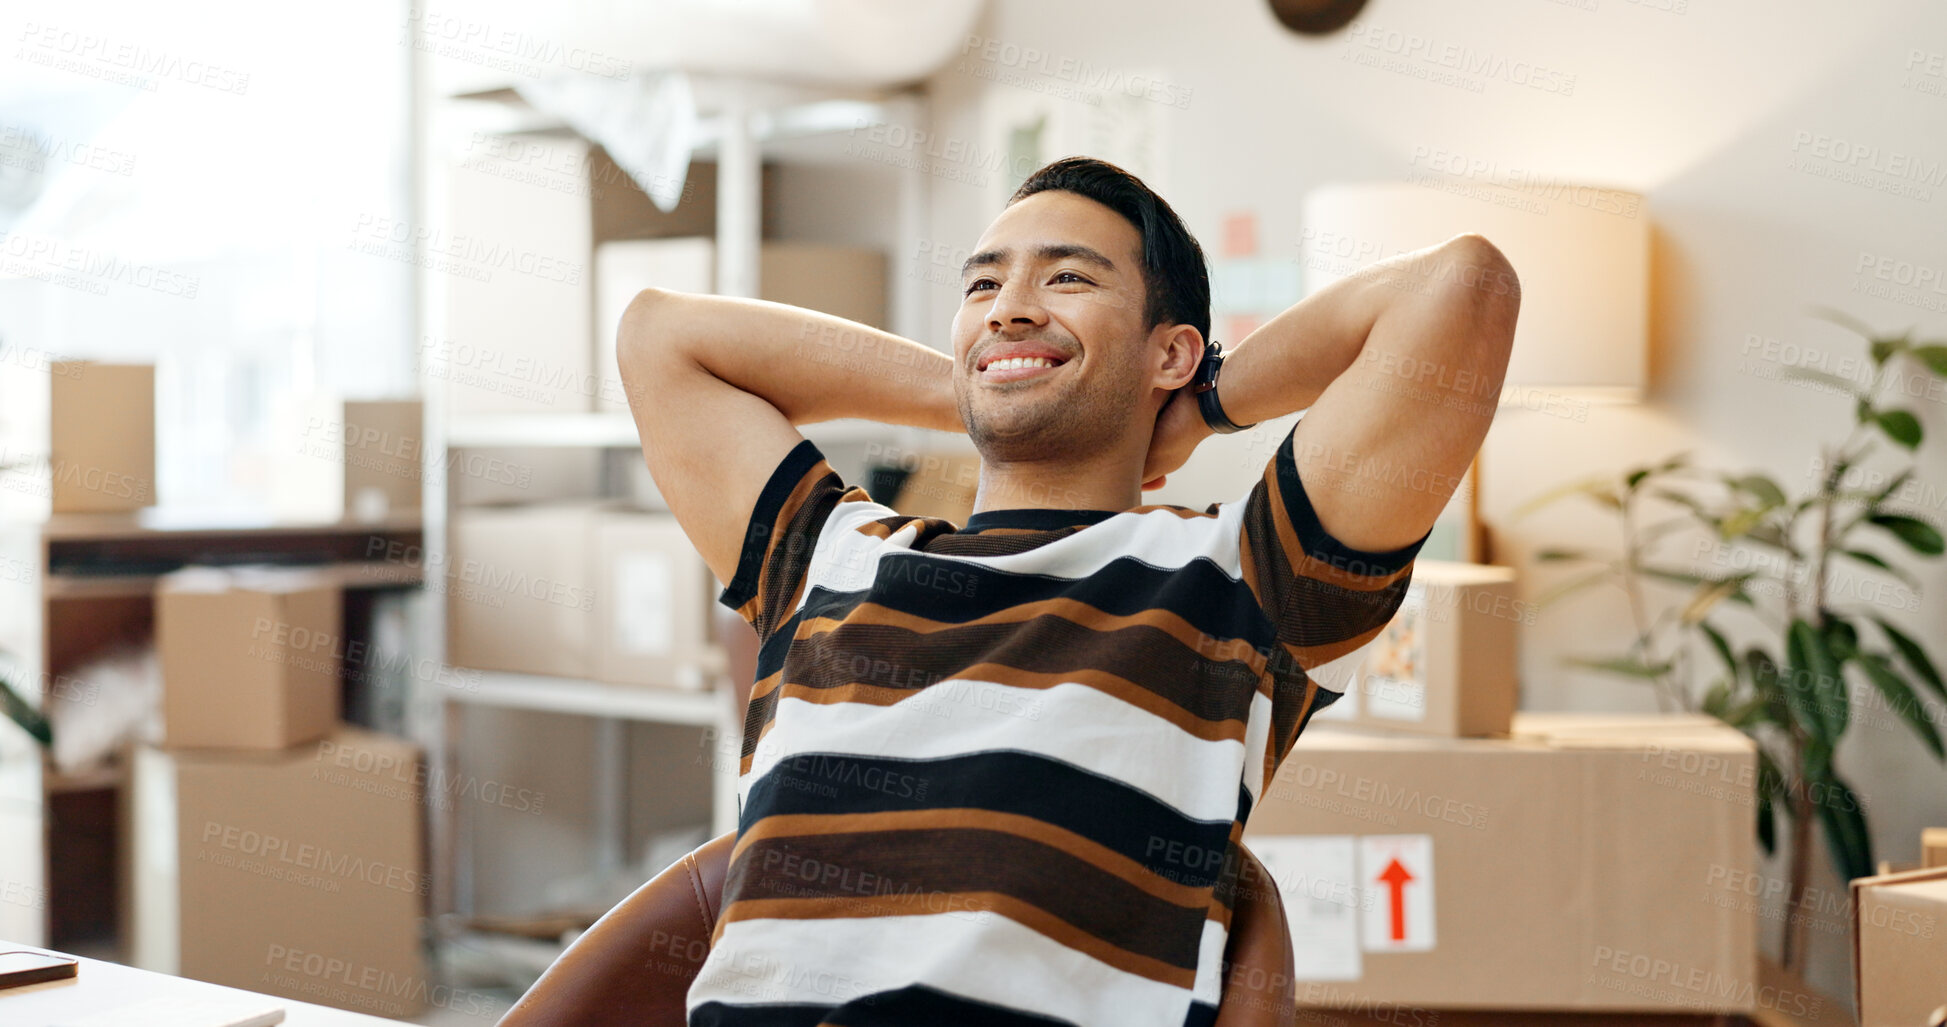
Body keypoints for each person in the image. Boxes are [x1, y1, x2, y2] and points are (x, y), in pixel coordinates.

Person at [617, 155, 1519, 1026]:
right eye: (981, 288)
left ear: (1171, 350)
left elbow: (1460, 287)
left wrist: (1198, 404)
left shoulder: (1241, 575)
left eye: (1067, 281)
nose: (1009, 307)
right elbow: (660, 334)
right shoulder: (831, 558)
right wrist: (990, 381)